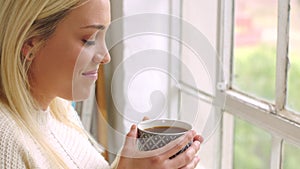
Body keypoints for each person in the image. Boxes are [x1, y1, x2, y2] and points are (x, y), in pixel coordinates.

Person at [0, 0, 203, 168]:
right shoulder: (5, 140)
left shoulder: (59, 109)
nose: (105, 56)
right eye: (88, 39)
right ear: (30, 43)